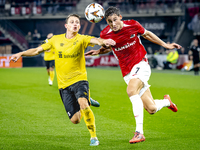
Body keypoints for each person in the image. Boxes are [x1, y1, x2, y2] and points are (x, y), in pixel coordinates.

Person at [10, 14, 116, 146]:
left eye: (77, 22)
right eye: (72, 22)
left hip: (80, 79)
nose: (75, 24)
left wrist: (104, 41)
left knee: (83, 104)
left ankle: (93, 137)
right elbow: (37, 50)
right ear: (66, 26)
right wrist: (20, 53)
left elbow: (97, 41)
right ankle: (88, 99)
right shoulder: (55, 40)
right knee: (75, 120)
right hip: (63, 84)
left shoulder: (82, 39)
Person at [85, 6, 181, 144]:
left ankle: (139, 133)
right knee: (151, 108)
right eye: (109, 21)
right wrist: (97, 52)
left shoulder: (133, 25)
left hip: (141, 63)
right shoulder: (105, 34)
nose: (113, 24)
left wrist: (165, 45)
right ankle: (167, 102)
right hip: (127, 72)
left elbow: (147, 34)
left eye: (115, 20)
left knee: (131, 90)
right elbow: (107, 48)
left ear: (120, 17)